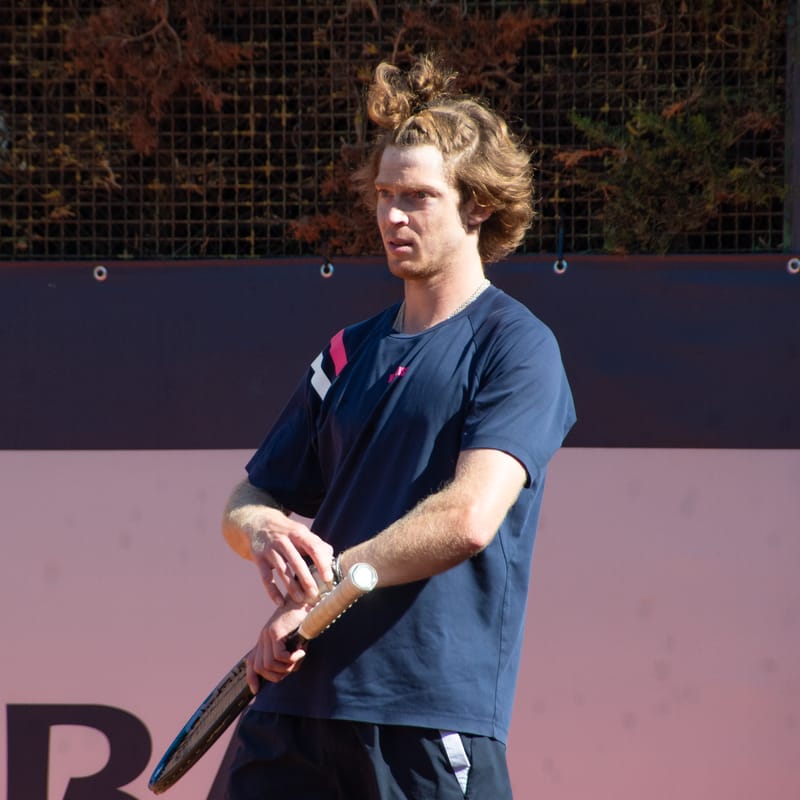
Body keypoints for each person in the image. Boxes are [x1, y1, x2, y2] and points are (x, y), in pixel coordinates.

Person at [221, 53, 575, 799]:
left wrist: (321, 596)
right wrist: (264, 535)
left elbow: (469, 518)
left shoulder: (517, 347)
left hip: (424, 719)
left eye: (416, 197)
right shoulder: (347, 350)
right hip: (287, 711)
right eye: (384, 195)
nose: (390, 216)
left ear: (476, 206)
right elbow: (250, 494)